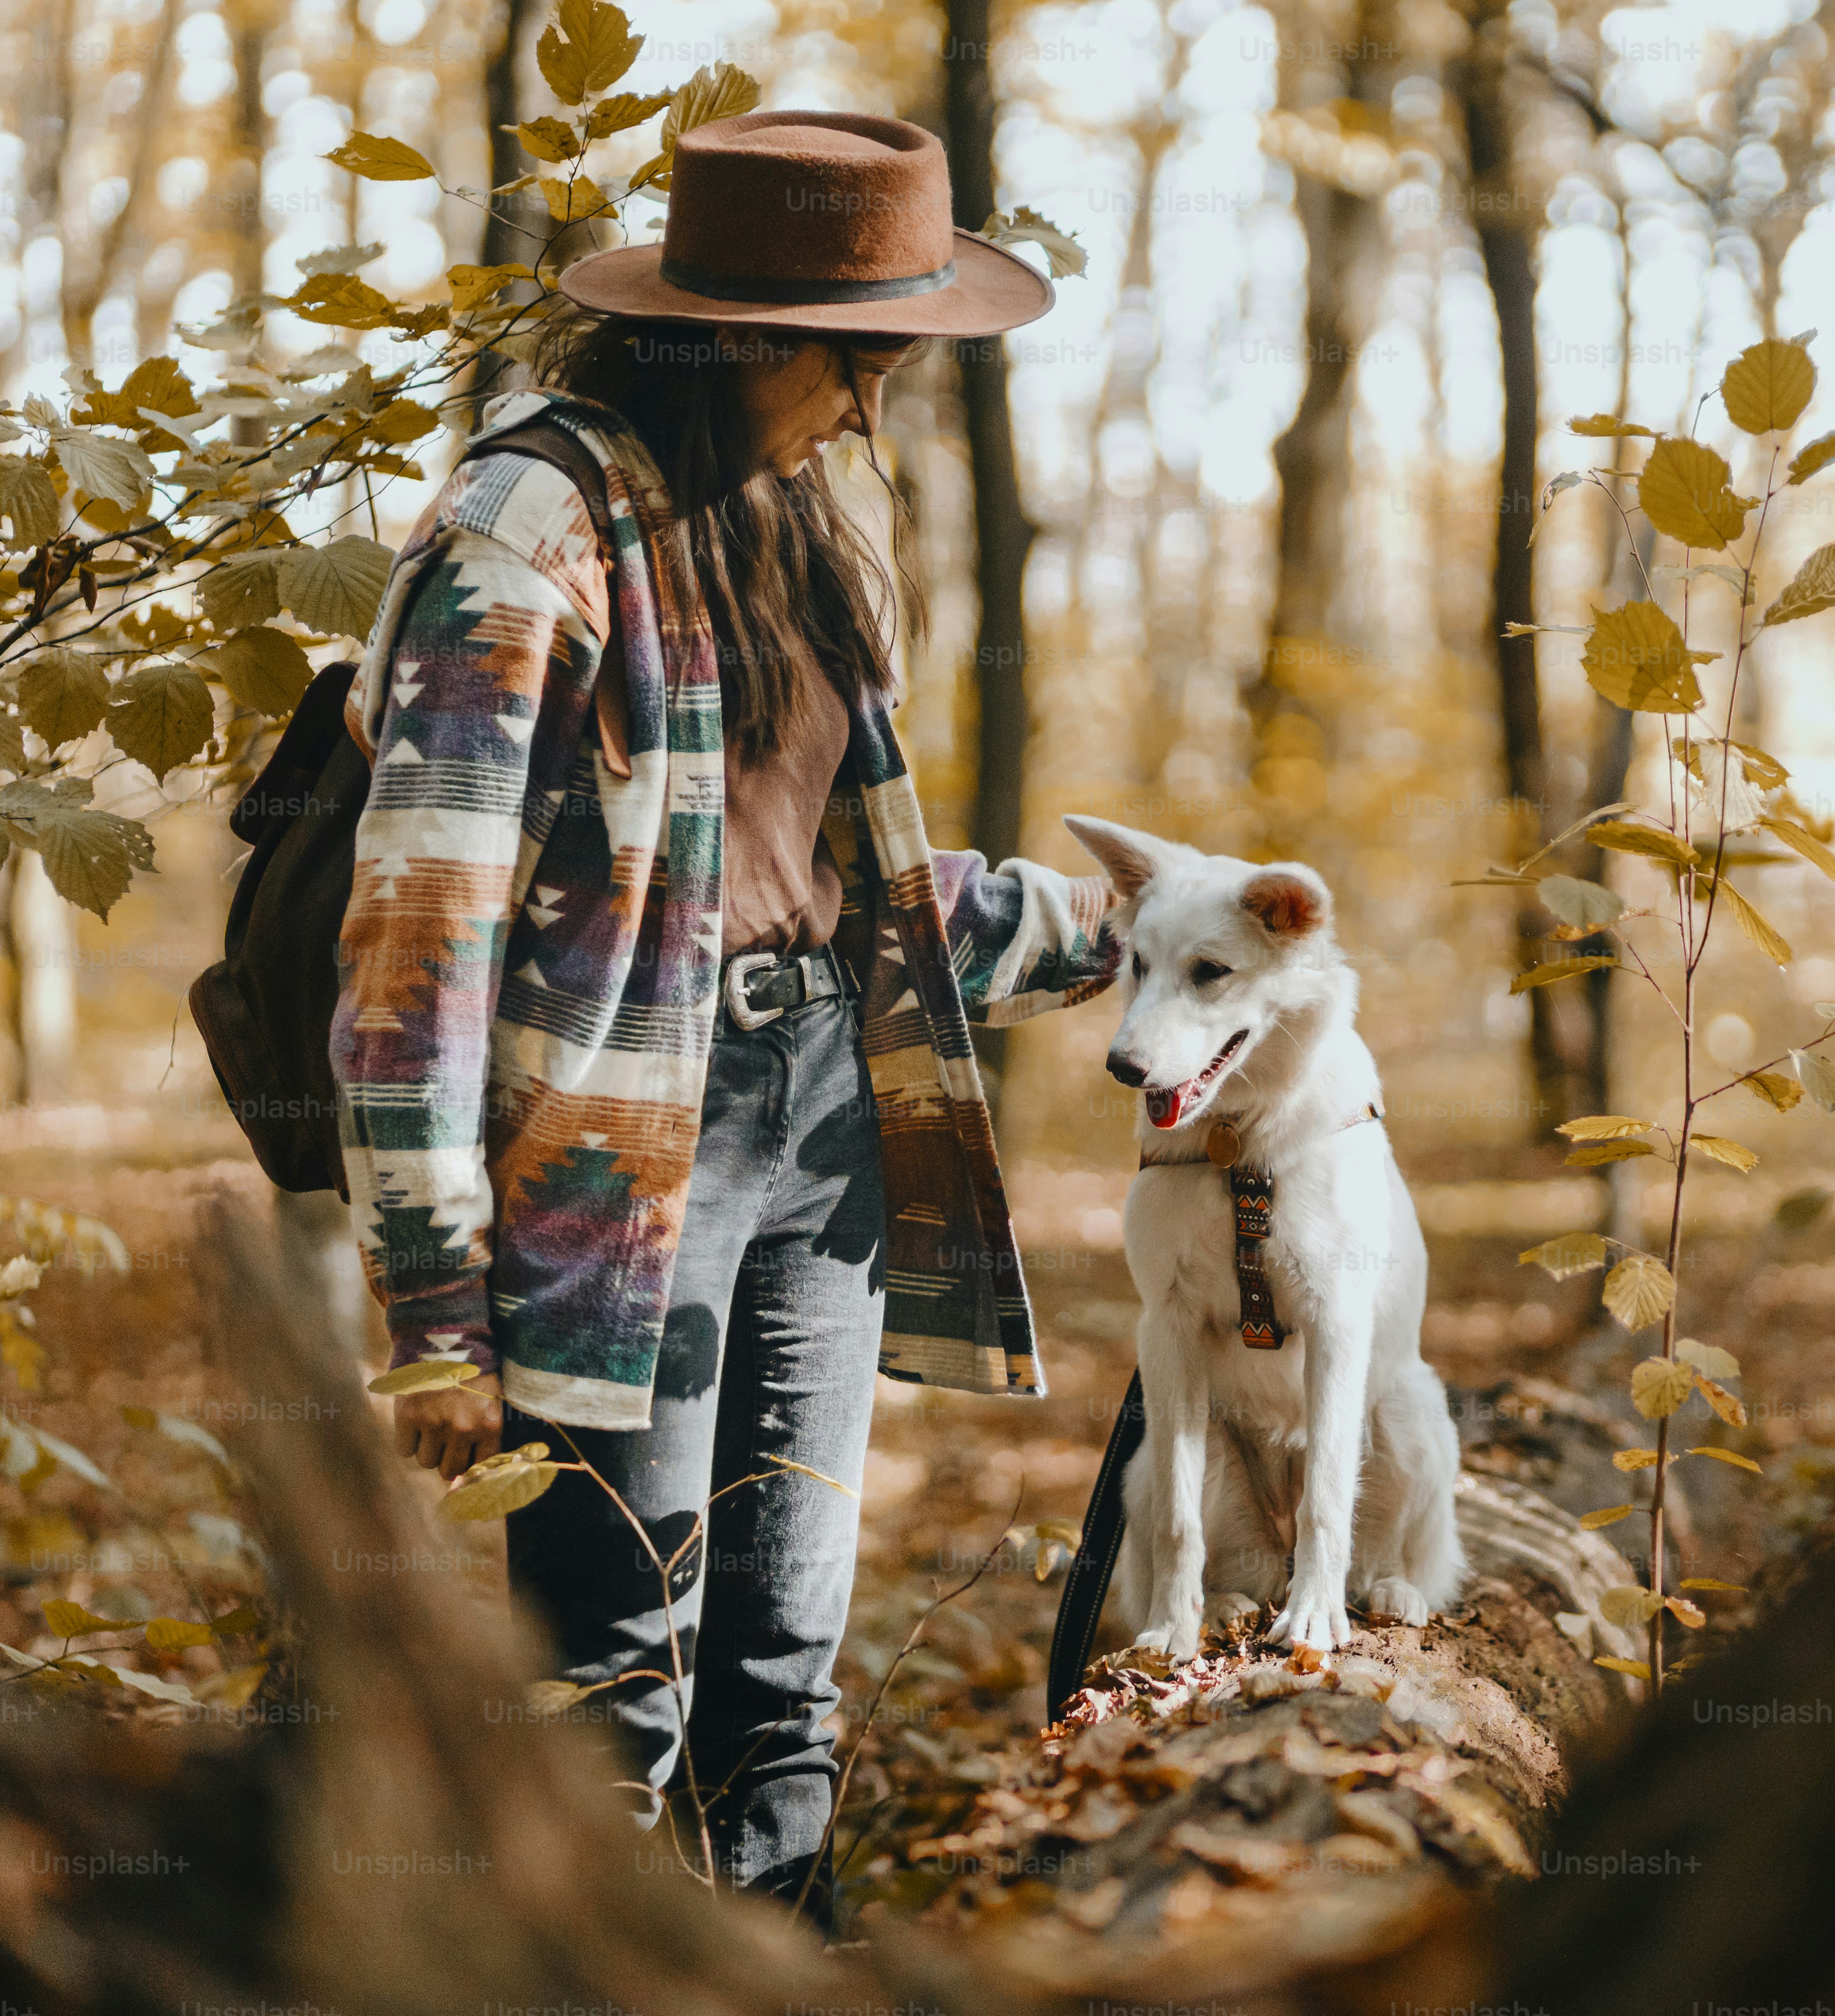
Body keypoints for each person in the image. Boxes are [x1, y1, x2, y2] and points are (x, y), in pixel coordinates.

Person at [327, 109, 1119, 1911]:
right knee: (614, 1674)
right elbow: (416, 933)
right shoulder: (529, 519)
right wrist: (435, 1307)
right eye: (865, 359)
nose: (878, 402)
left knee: (784, 1666)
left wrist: (1127, 935)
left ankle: (788, 1958)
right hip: (615, 1165)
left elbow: (831, 879)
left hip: (826, 1111)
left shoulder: (817, 511)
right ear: (748, 335)